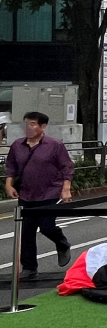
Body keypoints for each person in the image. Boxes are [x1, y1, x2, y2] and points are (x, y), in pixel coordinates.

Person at [5, 111, 74, 279]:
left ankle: (62, 244)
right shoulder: (17, 145)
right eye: (26, 124)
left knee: (46, 226)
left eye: (32, 124)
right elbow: (11, 166)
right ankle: (29, 267)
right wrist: (8, 184)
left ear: (43, 126)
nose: (28, 128)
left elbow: (67, 167)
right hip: (26, 194)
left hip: (50, 192)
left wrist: (66, 188)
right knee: (26, 232)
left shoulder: (55, 145)